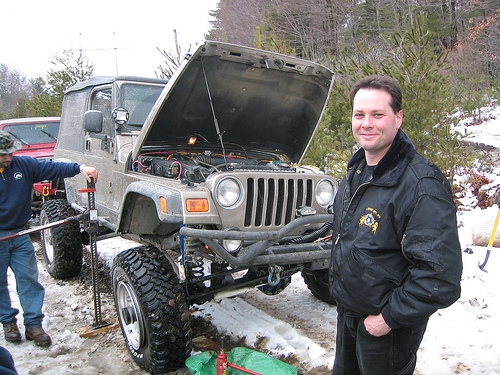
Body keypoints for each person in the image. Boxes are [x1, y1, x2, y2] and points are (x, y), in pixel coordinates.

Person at [329, 75, 463, 375]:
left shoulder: (421, 184)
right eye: (359, 114)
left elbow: (441, 278)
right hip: (350, 316)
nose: (367, 123)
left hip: (386, 329)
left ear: (398, 117)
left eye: (378, 114)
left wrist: (386, 320)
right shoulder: (358, 170)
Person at [0, 130, 98, 347]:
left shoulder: (23, 166)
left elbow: (53, 168)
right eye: (3, 154)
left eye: (10, 153)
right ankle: (8, 322)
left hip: (20, 234)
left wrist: (80, 168)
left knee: (28, 280)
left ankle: (33, 325)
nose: (8, 157)